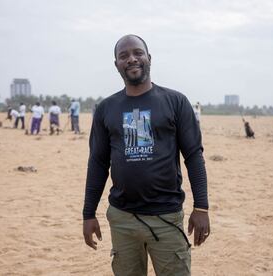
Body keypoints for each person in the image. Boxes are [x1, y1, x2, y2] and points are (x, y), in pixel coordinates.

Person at [82, 34, 210, 276]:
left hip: (167, 217)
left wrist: (201, 208)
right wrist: (88, 214)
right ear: (116, 64)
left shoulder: (175, 101)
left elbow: (193, 155)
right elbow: (98, 163)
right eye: (124, 55)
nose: (132, 59)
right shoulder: (106, 109)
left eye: (138, 53)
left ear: (149, 58)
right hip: (122, 219)